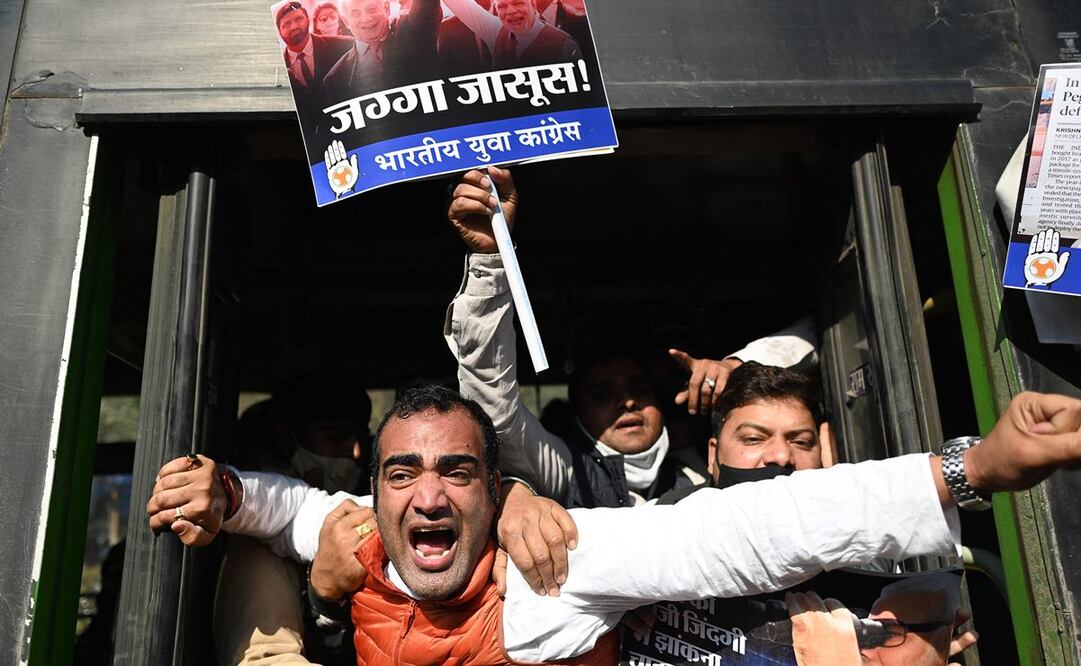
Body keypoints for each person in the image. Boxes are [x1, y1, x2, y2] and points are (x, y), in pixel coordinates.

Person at [148, 384, 1081, 665]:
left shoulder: (557, 571)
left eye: (458, 474)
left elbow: (753, 528)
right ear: (378, 488)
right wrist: (225, 492)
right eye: (404, 473)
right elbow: (290, 511)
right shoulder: (361, 536)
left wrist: (976, 467)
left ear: (496, 490)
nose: (428, 497)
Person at [445, 167, 817, 508]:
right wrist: (491, 259)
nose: (627, 403)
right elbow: (494, 408)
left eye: (638, 388)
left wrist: (737, 368)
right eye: (602, 394)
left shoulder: (708, 468)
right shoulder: (565, 471)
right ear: (579, 416)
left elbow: (817, 337)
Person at [213, 374, 373, 665]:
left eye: (362, 438)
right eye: (335, 438)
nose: (356, 453)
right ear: (286, 440)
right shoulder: (255, 542)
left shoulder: (369, 514)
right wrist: (322, 596)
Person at [322, 0, 441, 101]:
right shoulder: (335, 78)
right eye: (356, 14)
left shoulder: (413, 30)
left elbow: (426, 6)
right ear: (346, 21)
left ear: (387, 8)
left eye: (372, 9)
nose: (366, 19)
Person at [442, 0, 580, 68]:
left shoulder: (563, 45)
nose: (511, 11)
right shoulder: (496, 31)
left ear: (533, 4)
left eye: (517, 3)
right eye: (502, 6)